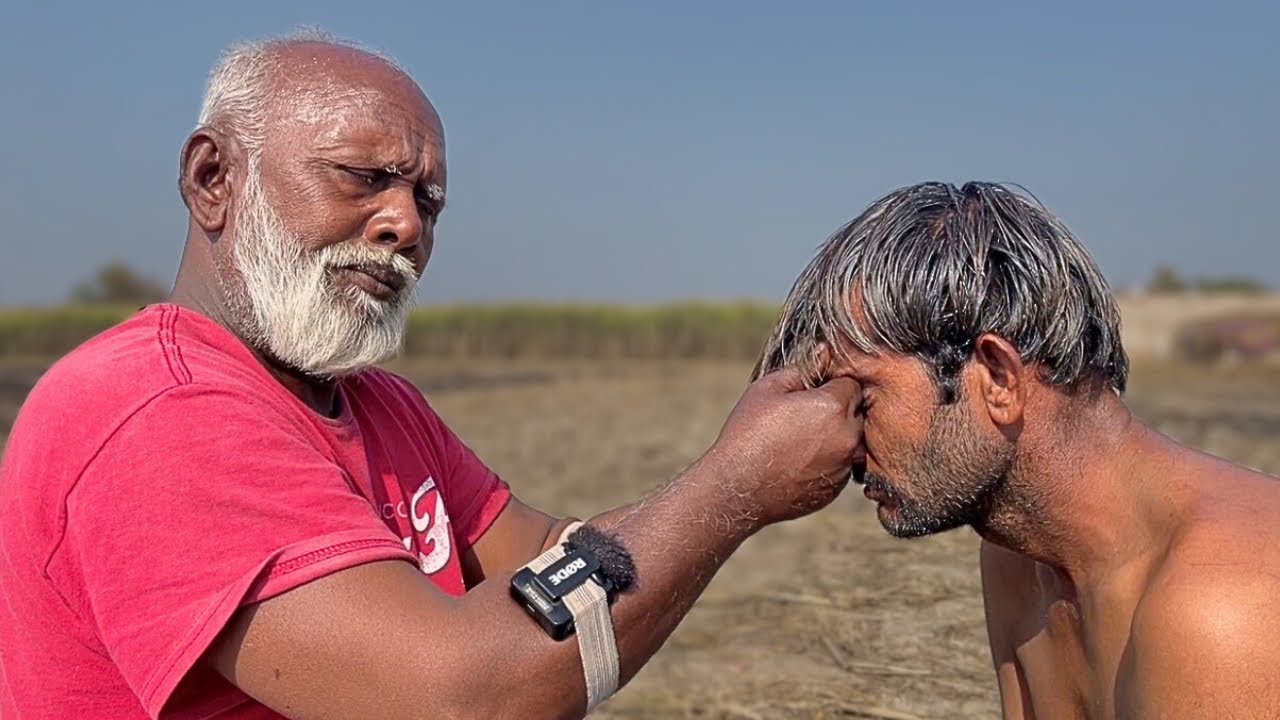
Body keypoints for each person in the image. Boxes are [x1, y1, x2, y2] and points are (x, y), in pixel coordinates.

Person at [0, 33, 864, 720]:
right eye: (363, 177)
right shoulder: (158, 413)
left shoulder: (380, 405)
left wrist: (748, 445)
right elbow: (457, 699)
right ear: (212, 179)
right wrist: (736, 487)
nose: (404, 225)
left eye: (428, 200)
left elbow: (557, 558)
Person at [754, 181, 1280, 719]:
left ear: (999, 379)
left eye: (863, 397)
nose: (844, 444)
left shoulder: (1224, 608)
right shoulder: (1017, 558)